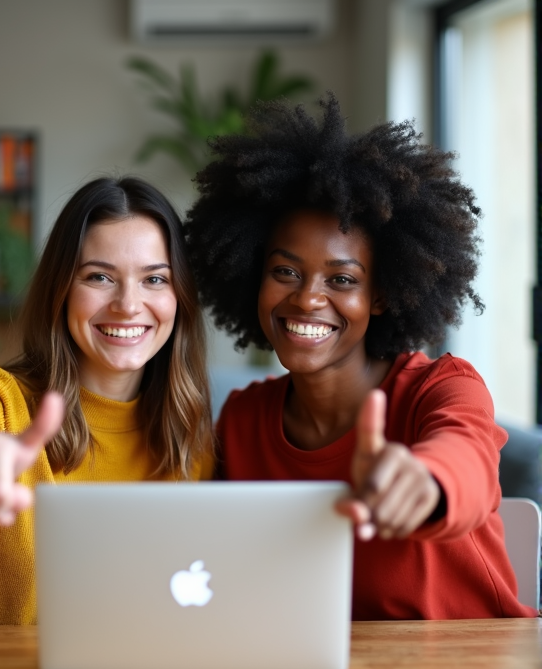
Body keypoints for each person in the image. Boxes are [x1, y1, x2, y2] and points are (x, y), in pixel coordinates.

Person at [183, 95, 539, 619]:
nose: (307, 298)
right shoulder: (241, 421)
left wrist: (424, 481)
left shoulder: (440, 387)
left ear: (381, 295)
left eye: (342, 280)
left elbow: (465, 457)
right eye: (285, 271)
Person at [0, 176, 214, 624]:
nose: (128, 304)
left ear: (180, 297)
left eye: (154, 279)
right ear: (61, 289)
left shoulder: (191, 439)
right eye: (99, 277)